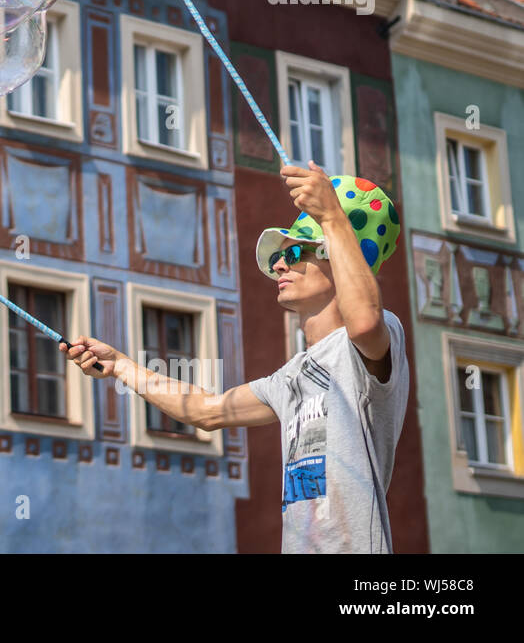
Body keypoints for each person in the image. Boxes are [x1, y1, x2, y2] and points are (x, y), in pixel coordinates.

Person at [61, 163, 408, 553]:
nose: (279, 264)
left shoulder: (376, 335)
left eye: (294, 251)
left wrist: (331, 217)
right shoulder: (295, 374)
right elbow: (206, 411)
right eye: (280, 255)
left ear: (335, 254)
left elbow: (362, 322)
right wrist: (120, 365)